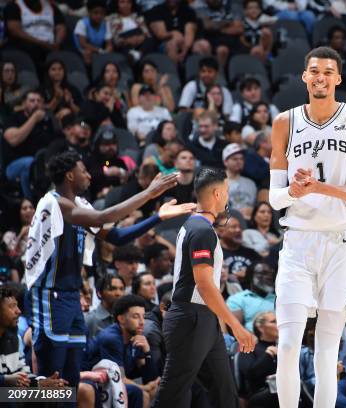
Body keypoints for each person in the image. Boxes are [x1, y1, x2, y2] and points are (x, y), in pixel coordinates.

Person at [25, 151, 194, 392]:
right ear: (70, 175)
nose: (89, 176)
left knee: (71, 375)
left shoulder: (80, 205)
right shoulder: (57, 203)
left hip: (71, 297)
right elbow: (104, 215)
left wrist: (158, 217)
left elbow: (116, 236)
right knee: (51, 377)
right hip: (51, 295)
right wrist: (148, 193)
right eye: (84, 171)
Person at [268, 46, 346, 408]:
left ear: (338, 78)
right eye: (314, 71)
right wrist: (294, 191)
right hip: (298, 240)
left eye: (328, 72)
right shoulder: (285, 122)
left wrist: (320, 188)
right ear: (304, 76)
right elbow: (274, 198)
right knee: (287, 344)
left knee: (328, 349)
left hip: (341, 241)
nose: (320, 77)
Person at [153, 166, 256, 408]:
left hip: (203, 317)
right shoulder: (201, 230)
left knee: (225, 392)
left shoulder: (195, 225)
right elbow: (205, 284)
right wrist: (235, 325)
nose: (228, 197)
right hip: (190, 316)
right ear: (218, 194)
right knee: (173, 394)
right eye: (227, 191)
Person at [86, 294, 160, 408]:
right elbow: (118, 379)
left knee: (152, 392)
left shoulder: (136, 337)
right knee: (142, 394)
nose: (142, 322)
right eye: (136, 316)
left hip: (110, 385)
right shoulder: (111, 338)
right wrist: (144, 388)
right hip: (90, 383)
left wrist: (147, 352)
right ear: (121, 319)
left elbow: (150, 378)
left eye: (143, 316)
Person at [3, 89, 58, 200]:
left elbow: (57, 142)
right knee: (31, 163)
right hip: (14, 166)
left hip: (42, 163)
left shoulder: (47, 122)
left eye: (39, 101)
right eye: (32, 101)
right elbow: (13, 140)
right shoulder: (14, 118)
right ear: (24, 104)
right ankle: (30, 201)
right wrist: (34, 119)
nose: (36, 104)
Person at [145, 0, 209, 63]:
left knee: (204, 45)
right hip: (163, 43)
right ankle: (173, 72)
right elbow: (161, 34)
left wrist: (184, 51)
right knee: (172, 44)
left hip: (185, 43)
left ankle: (206, 71)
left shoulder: (188, 11)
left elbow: (190, 33)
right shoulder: (156, 10)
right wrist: (173, 34)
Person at [226, 261, 276, 332]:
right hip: (251, 341)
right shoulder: (237, 299)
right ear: (250, 276)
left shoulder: (279, 298)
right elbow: (234, 331)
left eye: (271, 273)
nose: (269, 277)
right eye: (263, 273)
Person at [223, 143, 258, 219]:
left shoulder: (251, 183)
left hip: (249, 223)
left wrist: (252, 211)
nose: (239, 161)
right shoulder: (218, 183)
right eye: (235, 159)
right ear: (225, 162)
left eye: (241, 159)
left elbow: (255, 207)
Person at [73, 0, 113, 65]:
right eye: (95, 13)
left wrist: (108, 50)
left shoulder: (106, 23)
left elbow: (109, 43)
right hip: (81, 51)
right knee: (88, 53)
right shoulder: (82, 23)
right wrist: (99, 51)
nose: (99, 16)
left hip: (99, 51)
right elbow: (83, 44)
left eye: (102, 13)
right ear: (89, 13)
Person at [86, 274, 126, 338]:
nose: (118, 293)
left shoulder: (128, 319)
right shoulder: (90, 320)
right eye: (112, 289)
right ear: (99, 293)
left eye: (122, 289)